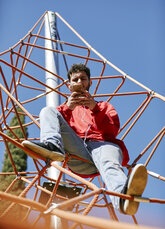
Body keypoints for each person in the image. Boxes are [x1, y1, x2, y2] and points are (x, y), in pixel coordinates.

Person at [22, 63, 147, 215]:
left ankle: (123, 198)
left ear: (90, 82)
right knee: (47, 110)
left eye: (83, 79)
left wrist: (95, 108)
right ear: (69, 86)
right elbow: (54, 120)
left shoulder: (103, 106)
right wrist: (68, 108)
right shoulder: (63, 110)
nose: (80, 83)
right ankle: (53, 146)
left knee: (110, 163)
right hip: (78, 154)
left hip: (102, 145)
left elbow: (112, 130)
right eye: (75, 80)